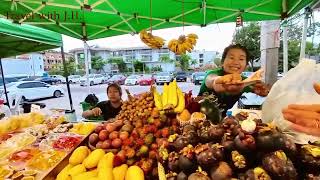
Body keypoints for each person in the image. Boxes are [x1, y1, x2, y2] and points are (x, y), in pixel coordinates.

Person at [198, 44, 270, 115]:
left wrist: (263, 94)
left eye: (241, 59)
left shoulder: (248, 83)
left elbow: (261, 103)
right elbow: (211, 80)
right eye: (231, 58)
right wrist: (220, 80)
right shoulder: (213, 73)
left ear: (246, 66)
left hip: (235, 124)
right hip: (201, 122)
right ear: (222, 62)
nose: (235, 62)